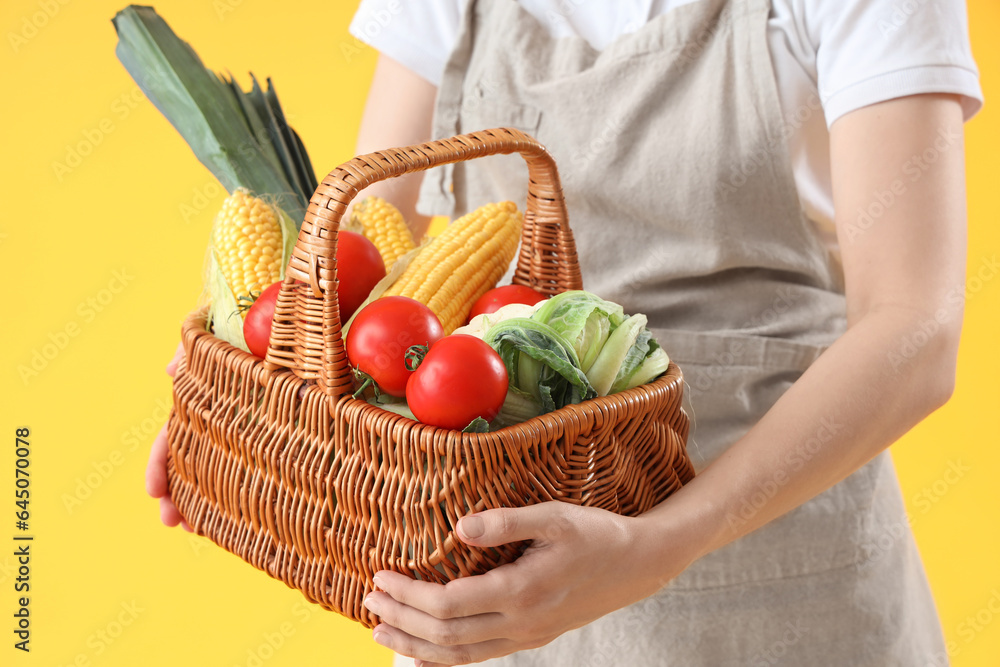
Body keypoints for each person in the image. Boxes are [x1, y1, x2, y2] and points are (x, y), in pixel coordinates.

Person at [148, 0, 983, 665]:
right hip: (493, 585)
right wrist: (259, 407)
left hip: (773, 582)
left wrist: (658, 542)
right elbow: (370, 245)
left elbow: (914, 329)